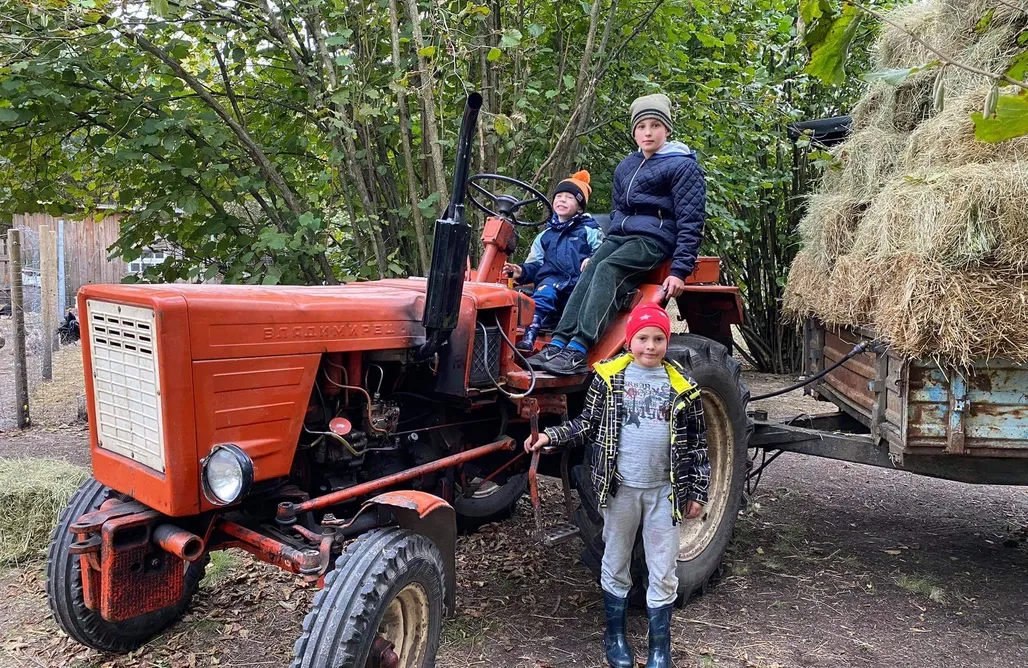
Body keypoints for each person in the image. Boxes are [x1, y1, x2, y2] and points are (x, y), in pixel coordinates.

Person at [523, 302, 708, 668]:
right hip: (620, 490)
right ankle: (616, 635)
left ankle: (659, 648)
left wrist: (698, 491)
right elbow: (586, 424)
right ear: (629, 341)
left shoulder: (683, 387)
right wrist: (550, 436)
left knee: (663, 567)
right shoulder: (609, 380)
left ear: (667, 342)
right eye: (643, 338)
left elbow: (698, 444)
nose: (650, 346)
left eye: (658, 339)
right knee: (616, 558)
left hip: (664, 493)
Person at [526, 93, 706, 376]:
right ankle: (558, 342)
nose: (648, 132)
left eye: (655, 125)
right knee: (591, 267)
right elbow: (618, 214)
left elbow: (691, 220)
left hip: (653, 241)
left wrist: (680, 270)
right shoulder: (627, 166)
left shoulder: (683, 166)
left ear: (667, 129)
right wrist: (602, 248)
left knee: (608, 269)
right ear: (634, 132)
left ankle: (579, 348)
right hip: (620, 237)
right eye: (641, 126)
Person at [502, 170, 604, 352]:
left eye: (569, 198)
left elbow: (602, 251)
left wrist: (592, 260)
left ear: (580, 208)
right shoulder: (545, 236)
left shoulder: (589, 231)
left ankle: (570, 343)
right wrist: (522, 271)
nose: (562, 200)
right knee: (543, 295)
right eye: (559, 196)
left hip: (578, 282)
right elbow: (536, 264)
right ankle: (529, 336)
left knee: (576, 301)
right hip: (551, 280)